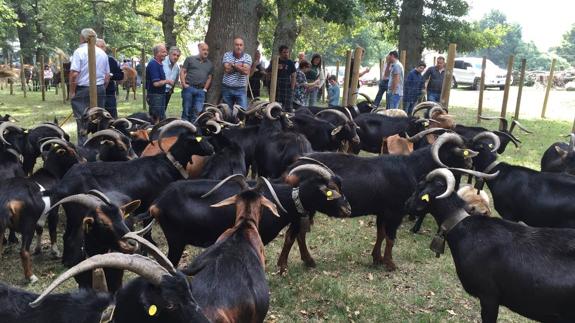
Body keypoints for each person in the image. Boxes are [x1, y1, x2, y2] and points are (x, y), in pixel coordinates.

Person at [69, 28, 110, 145]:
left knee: (82, 120)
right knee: (100, 119)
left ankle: (84, 147)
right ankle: (100, 144)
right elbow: (107, 76)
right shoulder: (103, 53)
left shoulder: (79, 52)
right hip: (100, 88)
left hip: (83, 89)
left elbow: (74, 74)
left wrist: (72, 91)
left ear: (83, 38)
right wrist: (102, 89)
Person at [180, 42, 214, 122]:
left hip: (200, 91)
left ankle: (193, 129)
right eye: (203, 50)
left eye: (207, 50)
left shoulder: (209, 64)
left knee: (197, 111)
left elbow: (209, 77)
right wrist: (184, 84)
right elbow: (182, 71)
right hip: (189, 88)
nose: (206, 52)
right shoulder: (190, 59)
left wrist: (205, 89)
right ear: (199, 49)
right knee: (186, 110)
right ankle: (183, 129)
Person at [96, 38, 124, 118]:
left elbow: (120, 75)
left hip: (109, 93)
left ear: (105, 48)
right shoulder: (90, 61)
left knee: (112, 116)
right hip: (95, 94)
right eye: (98, 47)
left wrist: (110, 75)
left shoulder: (111, 60)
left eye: (102, 47)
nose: (101, 49)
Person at [222, 36, 252, 110]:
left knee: (242, 111)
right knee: (227, 112)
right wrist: (241, 66)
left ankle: (239, 122)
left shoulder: (247, 57)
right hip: (227, 88)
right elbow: (227, 70)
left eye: (240, 45)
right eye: (237, 45)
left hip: (240, 89)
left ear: (243, 46)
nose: (239, 47)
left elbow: (246, 72)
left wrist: (233, 65)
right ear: (233, 46)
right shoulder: (227, 55)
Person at [146, 43, 172, 124]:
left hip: (159, 95)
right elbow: (156, 83)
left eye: (166, 52)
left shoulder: (159, 64)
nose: (166, 54)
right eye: (163, 52)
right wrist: (167, 81)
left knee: (161, 119)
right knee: (155, 120)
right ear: (157, 53)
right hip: (155, 96)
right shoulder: (153, 64)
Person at [270, 45, 296, 111]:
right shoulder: (275, 61)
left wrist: (292, 89)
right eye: (284, 52)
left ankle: (289, 119)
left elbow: (293, 76)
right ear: (280, 53)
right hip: (276, 87)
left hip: (287, 87)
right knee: (276, 106)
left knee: (288, 107)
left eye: (287, 52)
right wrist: (275, 68)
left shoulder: (290, 62)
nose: (286, 54)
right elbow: (267, 73)